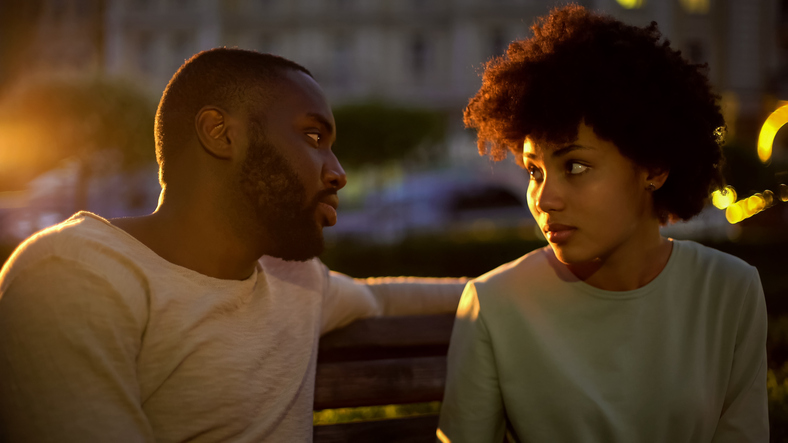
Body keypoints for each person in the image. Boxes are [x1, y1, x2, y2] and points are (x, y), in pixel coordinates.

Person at [0, 49, 465, 442]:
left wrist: (531, 278)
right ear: (221, 134)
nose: (338, 172)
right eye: (313, 137)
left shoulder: (296, 281)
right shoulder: (71, 274)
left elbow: (381, 298)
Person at [437, 5, 768, 443]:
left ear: (653, 166)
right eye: (534, 171)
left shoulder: (730, 290)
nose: (543, 198)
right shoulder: (493, 305)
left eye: (574, 166)